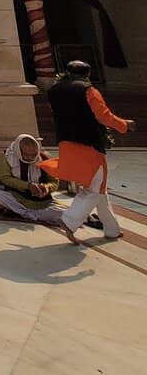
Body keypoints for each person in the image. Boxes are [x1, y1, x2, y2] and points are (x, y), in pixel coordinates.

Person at [42, 60, 132, 242]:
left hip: (67, 142)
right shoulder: (88, 90)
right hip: (89, 144)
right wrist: (124, 125)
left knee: (99, 188)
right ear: (87, 74)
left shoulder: (54, 90)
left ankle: (112, 230)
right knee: (95, 189)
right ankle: (69, 220)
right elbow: (103, 116)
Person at [0, 133, 64, 225]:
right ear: (18, 151)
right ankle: (29, 214)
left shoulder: (44, 158)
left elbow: (54, 182)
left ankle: (25, 213)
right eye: (26, 155)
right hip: (17, 197)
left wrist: (45, 188)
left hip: (42, 202)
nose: (30, 158)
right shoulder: (8, 157)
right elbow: (6, 178)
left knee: (68, 215)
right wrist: (28, 186)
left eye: (33, 154)